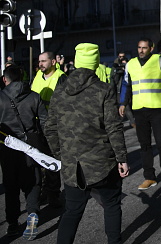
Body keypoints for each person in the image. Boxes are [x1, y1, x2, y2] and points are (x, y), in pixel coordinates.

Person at [45, 43, 129, 244]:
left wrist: (61, 154)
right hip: (102, 163)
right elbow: (113, 127)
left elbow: (50, 128)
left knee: (72, 211)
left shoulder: (60, 90)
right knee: (111, 204)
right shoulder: (104, 89)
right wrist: (122, 158)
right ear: (95, 63)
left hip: (72, 165)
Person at [119, 38, 161, 191]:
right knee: (144, 146)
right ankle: (149, 177)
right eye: (139, 47)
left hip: (156, 109)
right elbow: (126, 84)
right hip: (139, 110)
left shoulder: (159, 60)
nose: (141, 50)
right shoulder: (131, 64)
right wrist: (122, 103)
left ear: (151, 48)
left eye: (144, 48)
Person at [0, 65, 47, 239]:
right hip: (30, 145)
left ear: (5, 79)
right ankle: (32, 213)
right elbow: (44, 122)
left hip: (7, 146)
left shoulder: (0, 97)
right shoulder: (34, 96)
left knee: (10, 185)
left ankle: (12, 224)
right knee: (33, 181)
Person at [30, 51, 67, 208]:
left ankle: (53, 194)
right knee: (40, 160)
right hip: (38, 125)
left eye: (44, 61)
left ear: (52, 62)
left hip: (53, 126)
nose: (40, 64)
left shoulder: (61, 77)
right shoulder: (38, 75)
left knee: (52, 160)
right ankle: (45, 191)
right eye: (39, 61)